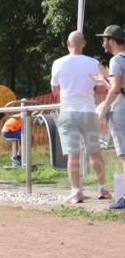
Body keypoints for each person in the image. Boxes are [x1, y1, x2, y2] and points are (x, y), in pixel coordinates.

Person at [49, 31, 110, 203]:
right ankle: (103, 188)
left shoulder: (58, 63)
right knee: (95, 152)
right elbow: (100, 89)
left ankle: (76, 191)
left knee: (73, 155)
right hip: (89, 111)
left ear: (68, 43)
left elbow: (54, 90)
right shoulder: (94, 63)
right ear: (84, 43)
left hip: (68, 112)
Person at [95, 25, 125, 210]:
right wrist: (106, 79)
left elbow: (116, 89)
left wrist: (104, 107)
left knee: (124, 154)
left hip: (121, 110)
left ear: (112, 41)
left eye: (105, 39)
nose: (103, 43)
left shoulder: (116, 60)